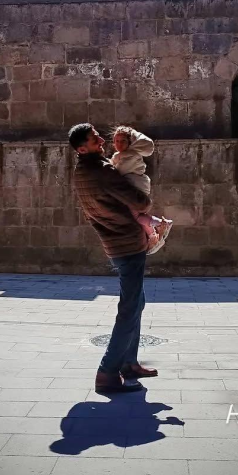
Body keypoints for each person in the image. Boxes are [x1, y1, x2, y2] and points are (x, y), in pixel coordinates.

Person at [69, 122, 164, 394]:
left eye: (98, 135)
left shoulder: (81, 171)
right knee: (129, 309)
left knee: (137, 301)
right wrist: (144, 199)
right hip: (127, 244)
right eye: (94, 138)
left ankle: (129, 363)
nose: (101, 139)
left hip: (114, 242)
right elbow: (140, 202)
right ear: (82, 147)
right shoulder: (103, 171)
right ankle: (108, 372)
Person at [110, 125, 173, 255]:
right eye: (117, 141)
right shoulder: (120, 155)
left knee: (134, 216)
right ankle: (154, 232)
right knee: (137, 216)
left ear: (130, 142)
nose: (119, 144)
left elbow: (119, 171)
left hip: (135, 187)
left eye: (123, 141)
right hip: (134, 187)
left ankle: (158, 226)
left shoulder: (131, 155)